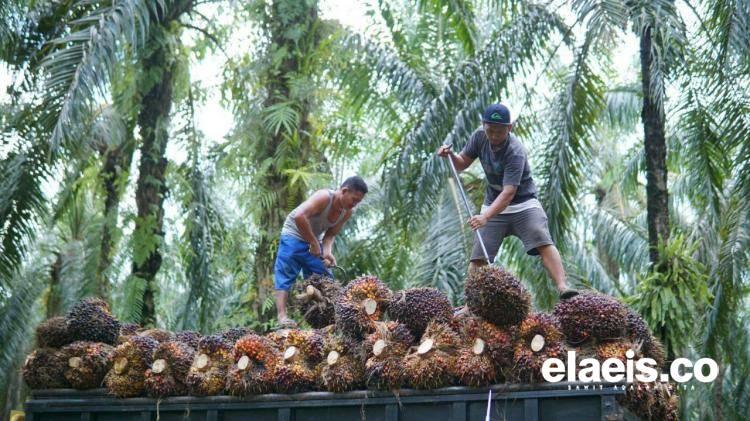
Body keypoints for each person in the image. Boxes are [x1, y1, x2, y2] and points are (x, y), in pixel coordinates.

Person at [437, 103, 578, 300]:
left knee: (541, 237)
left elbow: (509, 193)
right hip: (493, 204)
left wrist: (485, 216)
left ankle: (563, 287)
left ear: (509, 128)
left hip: (523, 203)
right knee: (479, 257)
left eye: (499, 131)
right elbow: (461, 164)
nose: (494, 136)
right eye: (490, 130)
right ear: (483, 125)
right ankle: (472, 304)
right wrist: (450, 155)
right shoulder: (479, 137)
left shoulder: (515, 150)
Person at [273, 176, 368, 328]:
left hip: (314, 240)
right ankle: (282, 316)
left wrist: (327, 252)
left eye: (358, 201)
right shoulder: (324, 197)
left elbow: (330, 235)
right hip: (293, 234)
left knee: (325, 276)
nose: (355, 204)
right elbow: (299, 216)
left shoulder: (347, 212)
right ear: (344, 191)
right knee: (285, 274)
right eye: (354, 199)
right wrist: (313, 242)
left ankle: (329, 322)